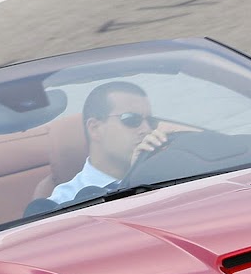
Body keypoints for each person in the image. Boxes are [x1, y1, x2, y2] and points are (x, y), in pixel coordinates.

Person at [48, 81, 190, 205]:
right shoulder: (65, 202)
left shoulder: (169, 175)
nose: (146, 130)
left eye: (151, 121)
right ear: (95, 128)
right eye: (131, 119)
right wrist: (132, 179)